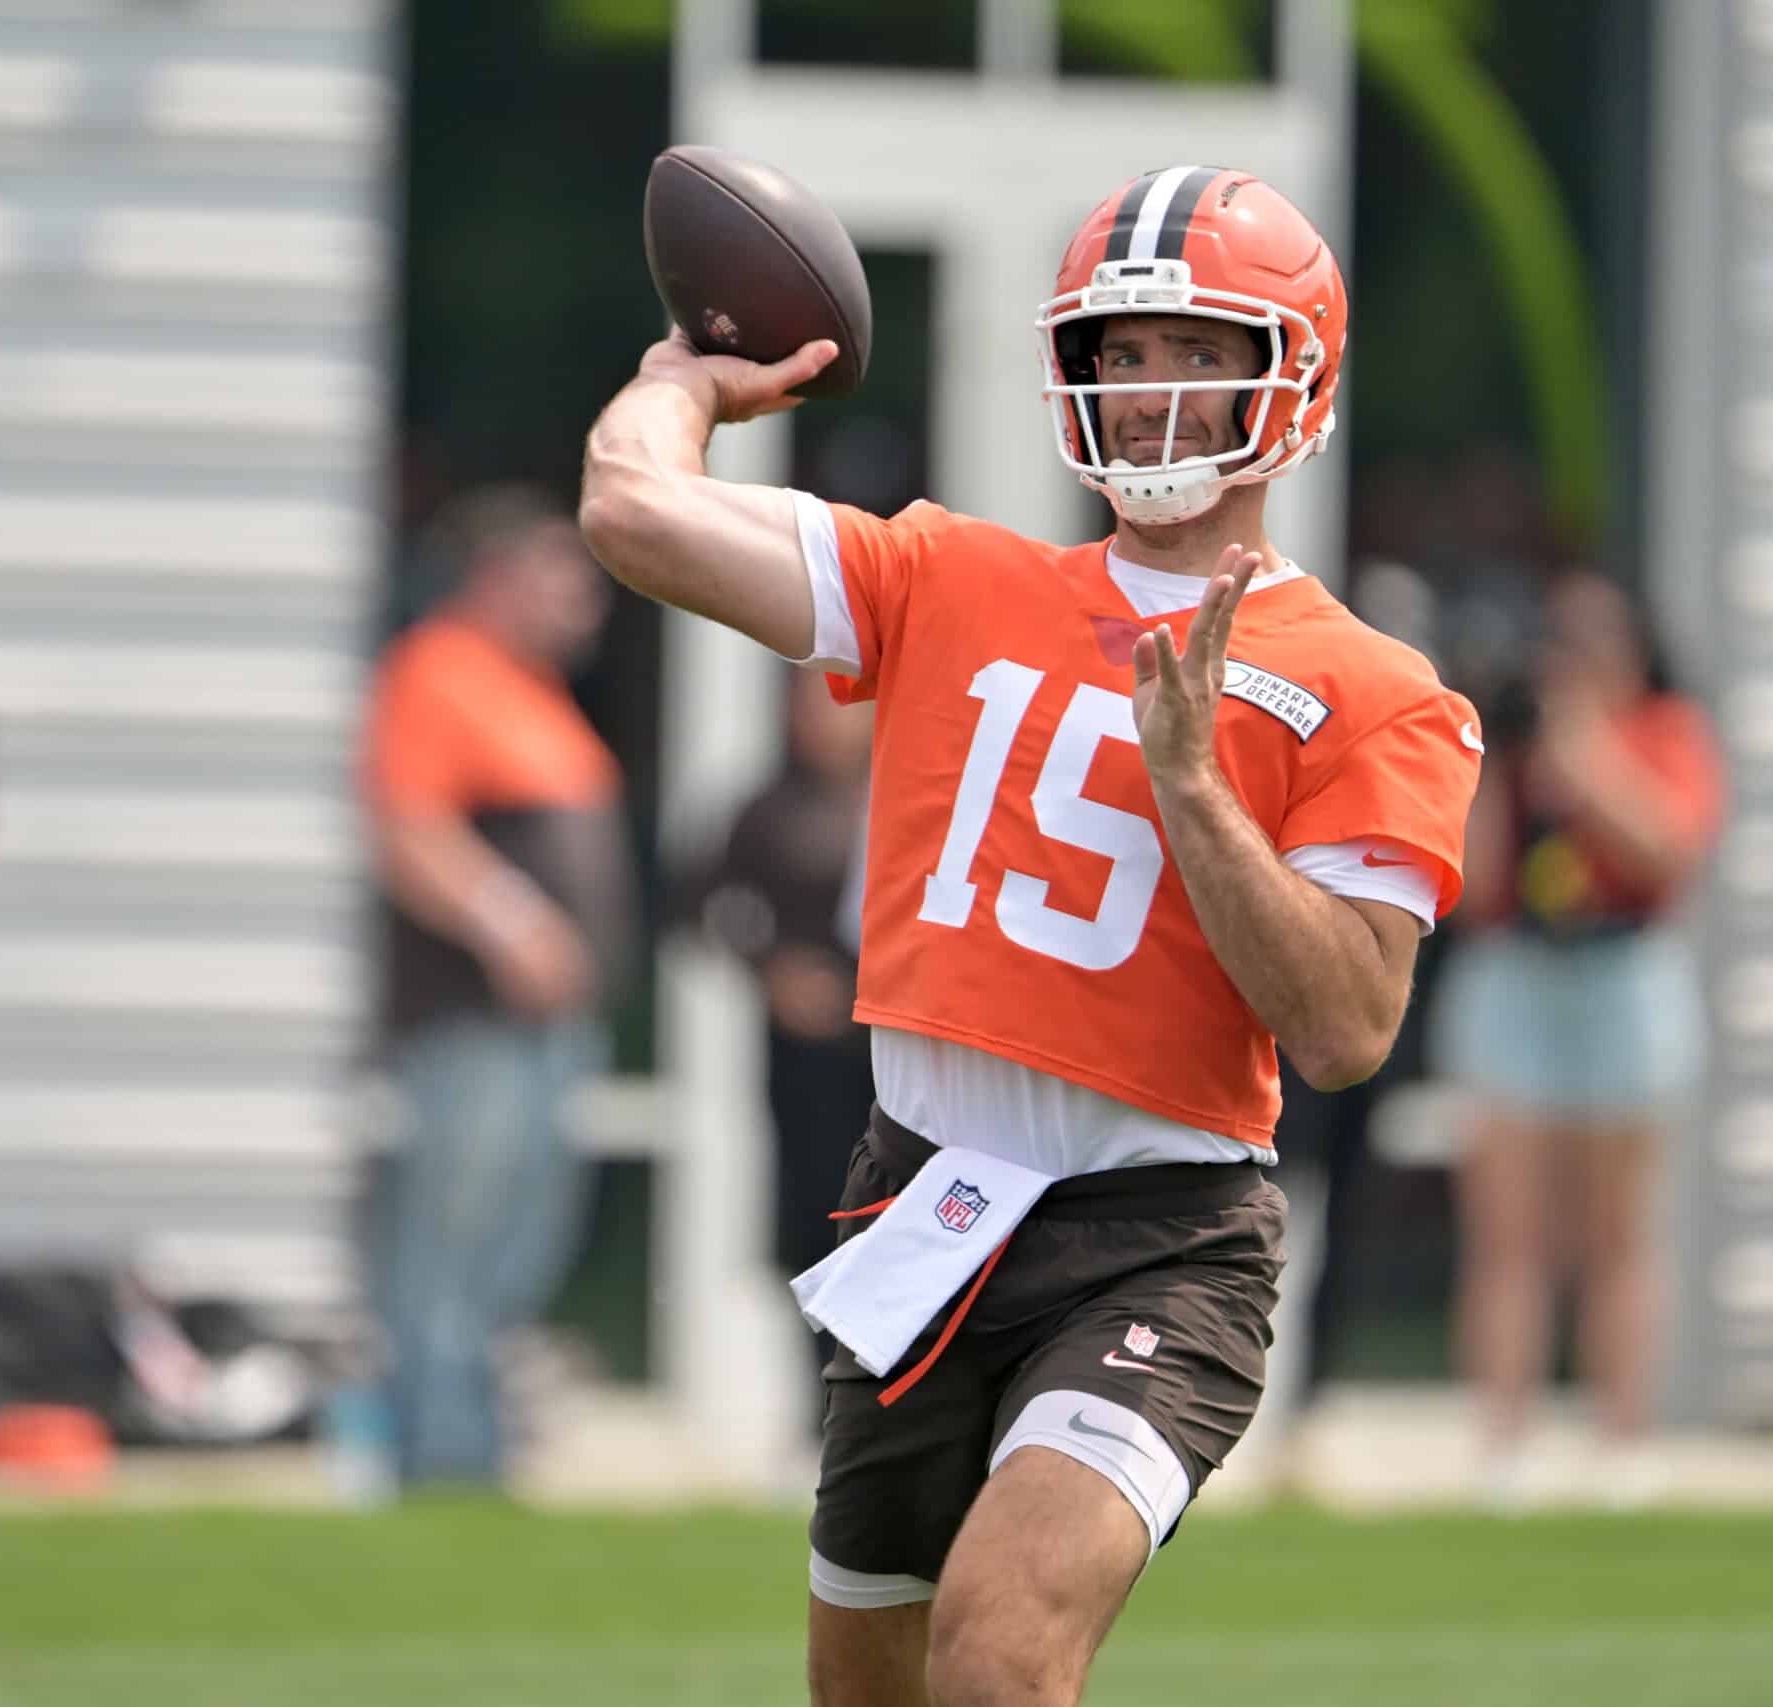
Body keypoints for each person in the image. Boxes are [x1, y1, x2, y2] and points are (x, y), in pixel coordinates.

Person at [581, 165, 1481, 1707]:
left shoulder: (1378, 688)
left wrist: (1196, 792)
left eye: (1194, 347)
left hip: (1159, 1239)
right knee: (871, 1684)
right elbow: (630, 511)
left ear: (1293, 375)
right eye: (1120, 351)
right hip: (927, 1199)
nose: (1149, 390)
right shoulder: (952, 573)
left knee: (999, 1656)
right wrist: (684, 381)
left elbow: (1345, 1028)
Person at [1432, 567, 1724, 1506]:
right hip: (1518, 974)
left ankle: (1622, 1443)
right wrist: (1498, 756)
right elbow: (1471, 886)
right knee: (1508, 1233)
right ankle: (1503, 1445)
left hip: (1623, 973)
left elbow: (1668, 848)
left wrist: (1582, 750)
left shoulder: (1664, 731)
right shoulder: (1507, 742)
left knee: (1619, 1230)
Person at [359, 485, 630, 1491]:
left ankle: (476, 1445)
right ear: (496, 577)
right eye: (561, 578)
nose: (585, 602)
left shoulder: (534, 692)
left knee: (515, 1249)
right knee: (450, 1242)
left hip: (542, 1033)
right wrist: (512, 922)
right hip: (473, 1025)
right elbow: (406, 828)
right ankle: (437, 1457)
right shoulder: (439, 670)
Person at [688, 671, 877, 1406]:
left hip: (899, 1058)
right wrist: (773, 971)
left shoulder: (915, 797)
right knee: (816, 1213)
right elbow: (704, 905)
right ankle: (823, 1393)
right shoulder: (770, 809)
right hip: (810, 1059)